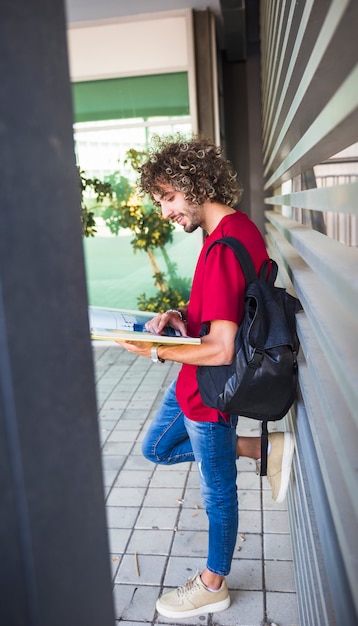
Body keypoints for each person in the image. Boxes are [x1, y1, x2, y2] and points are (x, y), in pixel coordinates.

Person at [119, 135, 294, 619]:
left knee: (217, 490)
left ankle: (212, 583)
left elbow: (219, 348)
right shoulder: (239, 230)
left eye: (167, 198)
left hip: (210, 392)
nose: (165, 212)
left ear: (190, 183)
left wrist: (153, 350)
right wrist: (179, 316)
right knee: (155, 448)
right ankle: (260, 448)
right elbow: (226, 317)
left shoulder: (220, 247)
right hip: (193, 387)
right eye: (160, 203)